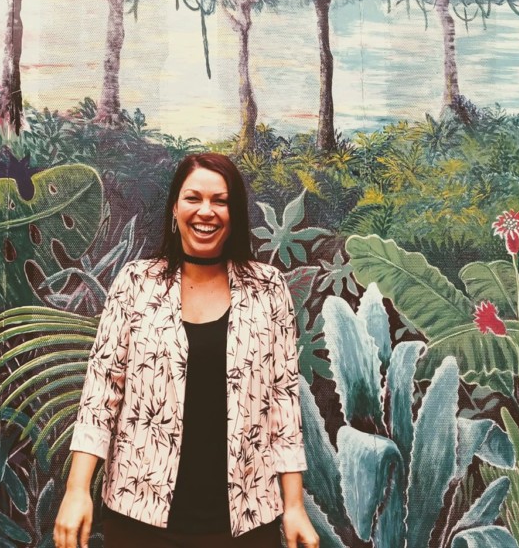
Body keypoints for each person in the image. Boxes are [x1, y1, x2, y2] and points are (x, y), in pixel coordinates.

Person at [54, 152, 320, 548]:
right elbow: (100, 393)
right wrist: (77, 490)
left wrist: (294, 505)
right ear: (175, 208)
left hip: (245, 520)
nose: (206, 212)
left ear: (235, 213)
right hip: (139, 515)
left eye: (221, 200)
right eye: (193, 198)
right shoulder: (136, 284)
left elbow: (283, 403)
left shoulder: (268, 289)